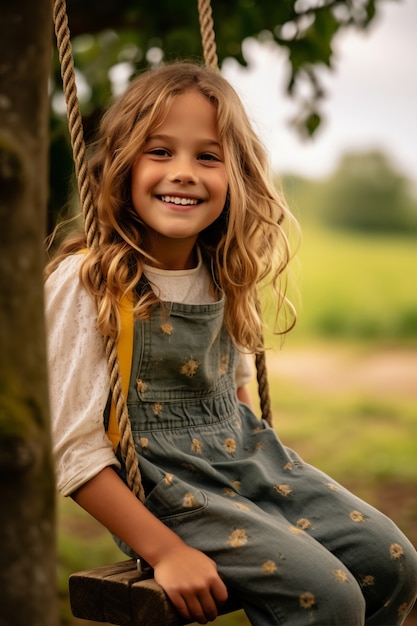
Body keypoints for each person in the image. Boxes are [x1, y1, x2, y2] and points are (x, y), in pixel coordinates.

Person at [45, 62, 417, 626]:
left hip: (251, 465)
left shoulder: (221, 270)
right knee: (331, 598)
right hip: (167, 492)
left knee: (393, 563)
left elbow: (236, 389)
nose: (185, 172)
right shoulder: (90, 281)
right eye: (160, 151)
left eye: (208, 156)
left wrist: (273, 487)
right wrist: (165, 550)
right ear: (121, 166)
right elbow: (74, 451)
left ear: (236, 175)